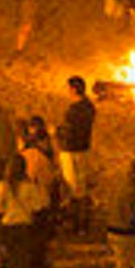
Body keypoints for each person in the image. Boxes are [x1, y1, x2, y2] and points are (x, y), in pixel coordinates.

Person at [58, 75, 97, 234]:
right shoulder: (90, 107)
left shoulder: (73, 110)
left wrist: (57, 132)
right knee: (83, 188)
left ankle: (77, 224)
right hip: (84, 149)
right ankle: (84, 222)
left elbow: (68, 133)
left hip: (71, 152)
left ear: (73, 89)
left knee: (73, 189)